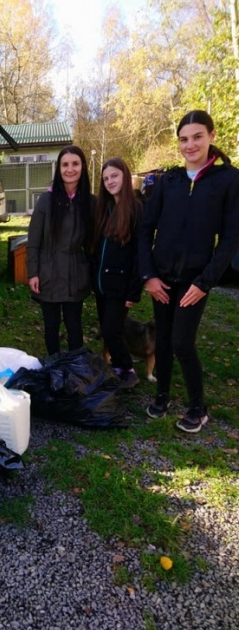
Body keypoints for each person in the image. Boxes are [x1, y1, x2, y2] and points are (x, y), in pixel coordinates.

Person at [138, 110, 239, 433]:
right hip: (162, 278)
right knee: (164, 340)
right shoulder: (169, 182)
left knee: (182, 342)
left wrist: (205, 282)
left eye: (197, 136)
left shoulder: (228, 180)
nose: (190, 144)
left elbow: (230, 239)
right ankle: (162, 396)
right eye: (184, 139)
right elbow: (145, 230)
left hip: (195, 281)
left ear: (211, 135)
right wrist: (149, 276)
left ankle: (198, 407)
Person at [26, 146, 94, 355]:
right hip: (49, 272)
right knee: (52, 325)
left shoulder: (90, 202)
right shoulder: (46, 200)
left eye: (75, 164)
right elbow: (34, 239)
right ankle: (54, 366)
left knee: (74, 325)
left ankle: (75, 368)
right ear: (59, 169)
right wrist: (33, 272)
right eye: (65, 164)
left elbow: (94, 243)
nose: (70, 169)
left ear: (82, 167)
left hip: (76, 272)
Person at [91, 157, 143, 388]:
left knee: (112, 330)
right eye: (106, 179)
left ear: (125, 176)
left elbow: (140, 253)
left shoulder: (135, 210)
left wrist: (134, 290)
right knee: (110, 328)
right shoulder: (105, 209)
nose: (110, 181)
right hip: (103, 284)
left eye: (114, 176)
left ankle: (128, 371)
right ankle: (119, 368)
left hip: (121, 286)